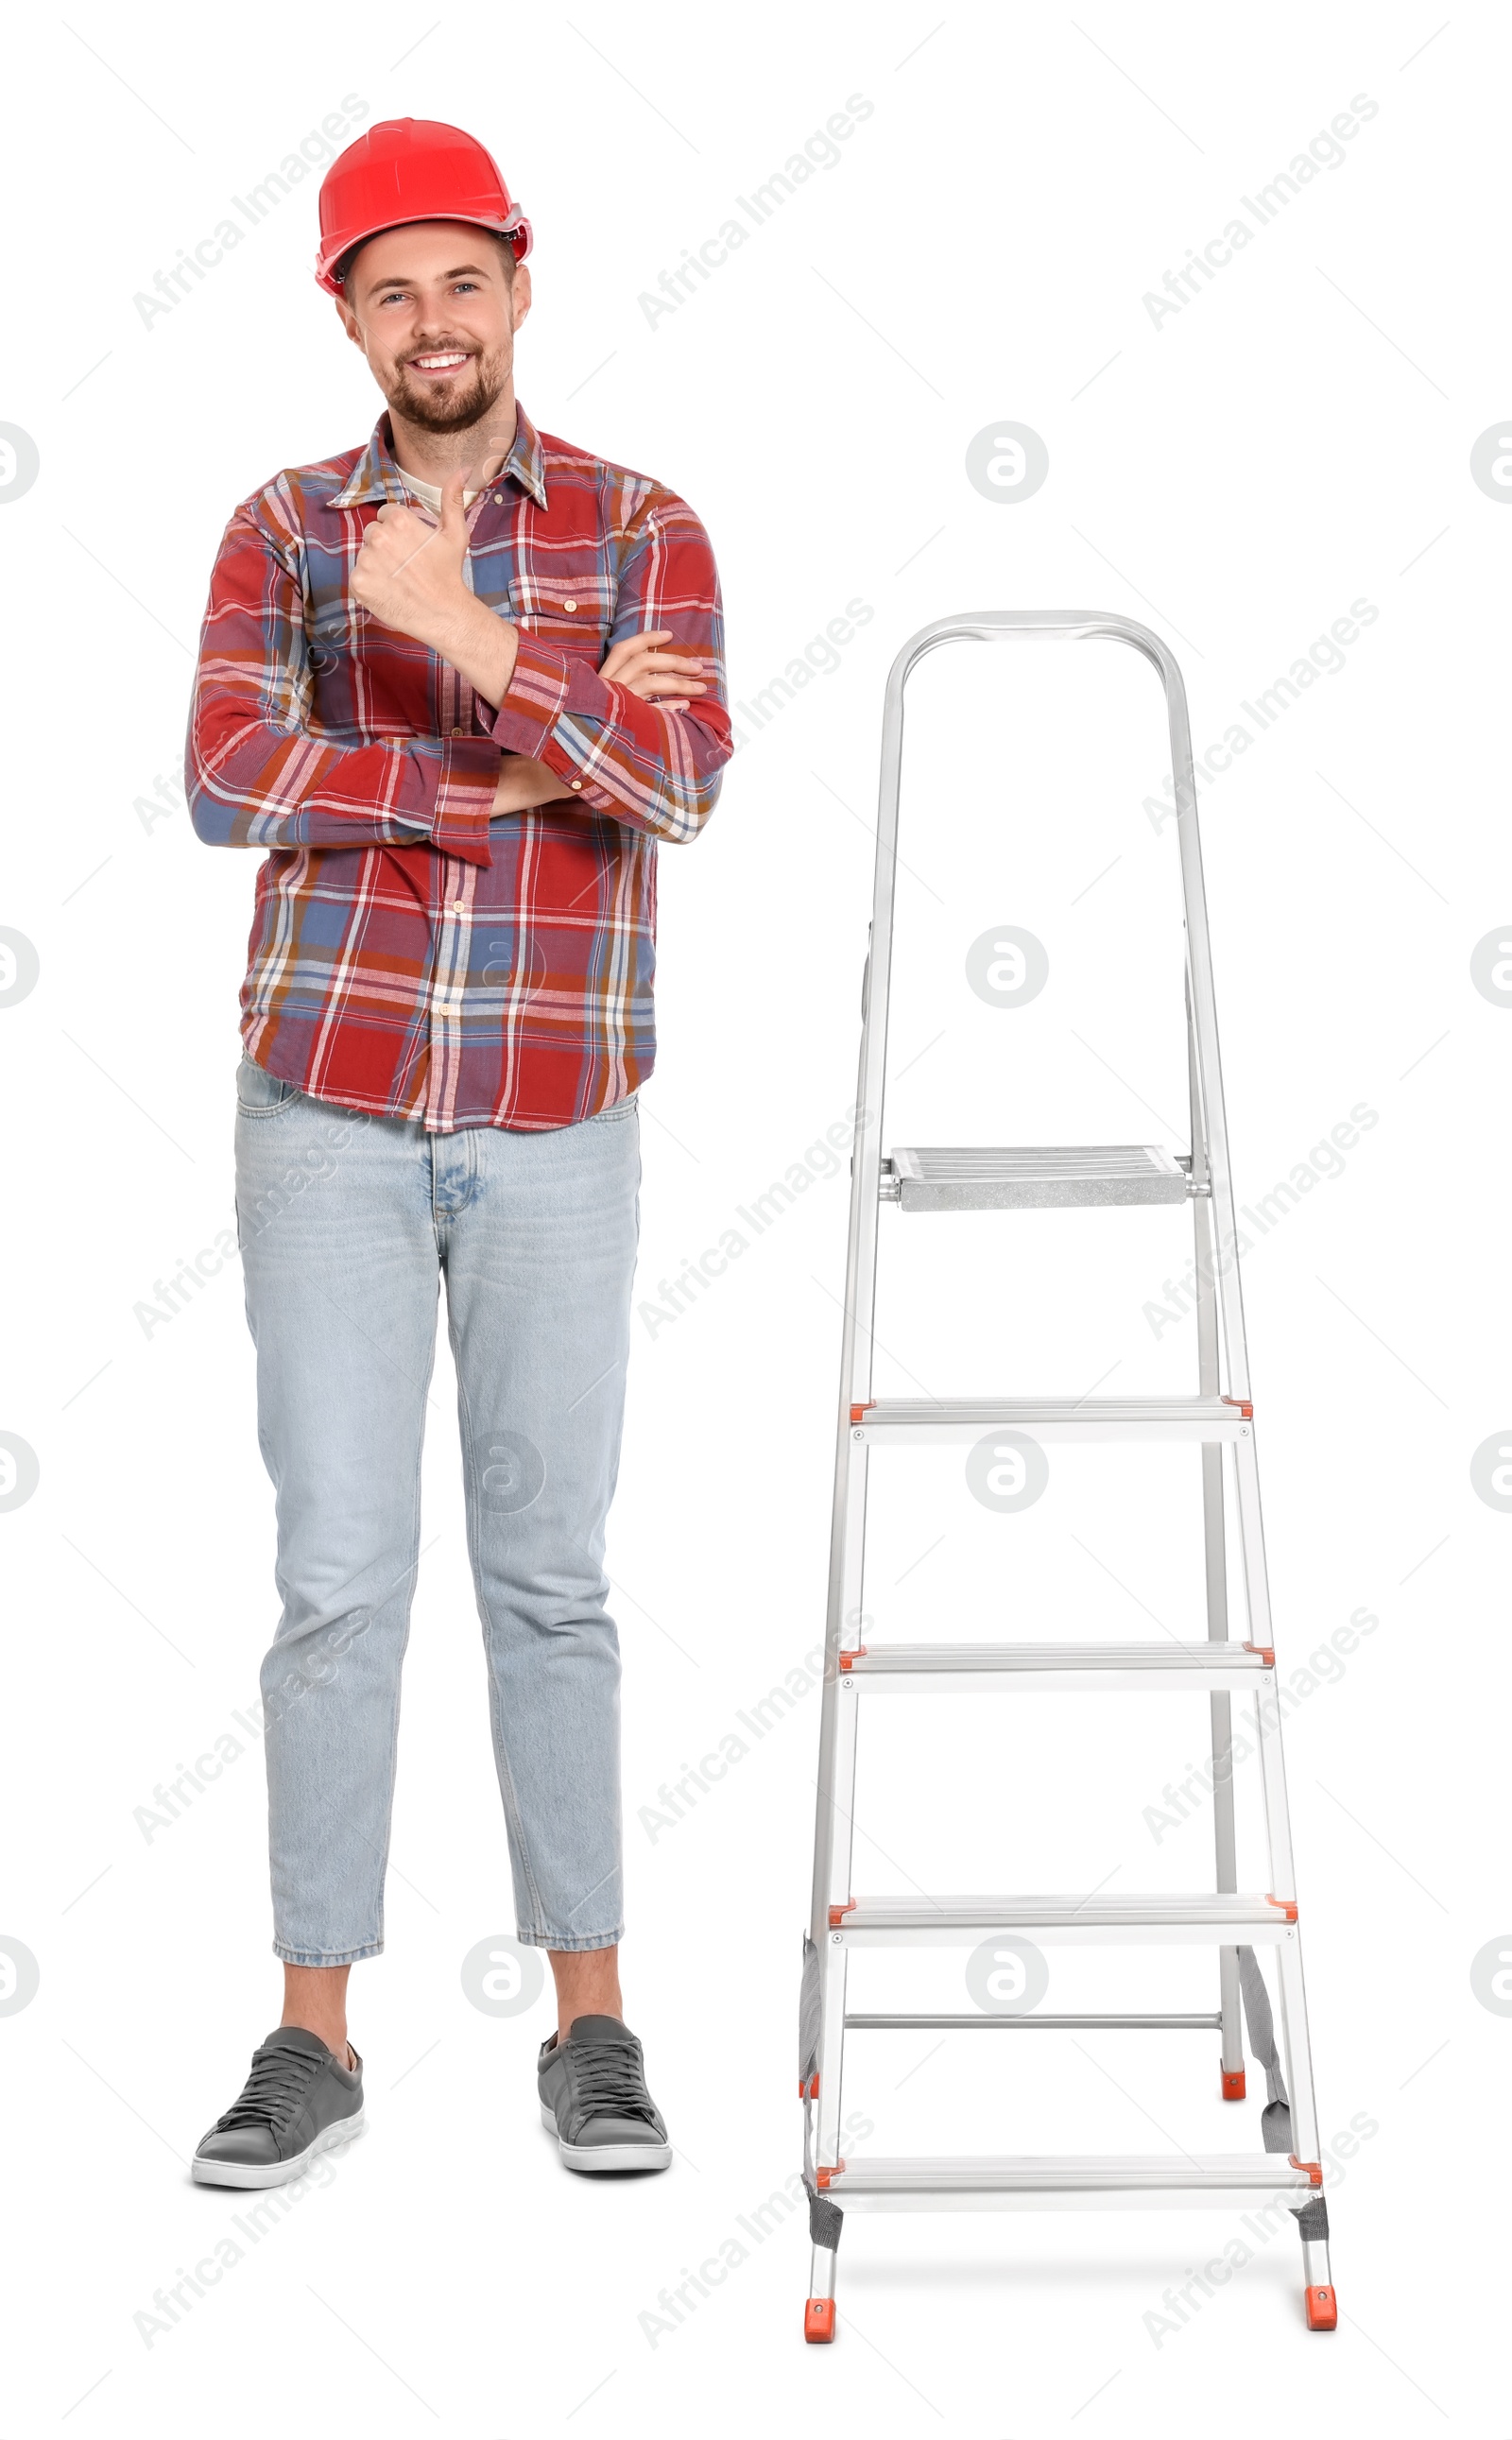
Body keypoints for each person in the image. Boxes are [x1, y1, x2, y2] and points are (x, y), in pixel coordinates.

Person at [183, 117, 730, 2189]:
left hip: (553, 1115)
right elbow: (231, 772)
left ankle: (590, 2020)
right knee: (336, 1576)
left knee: (550, 1576)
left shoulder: (636, 518)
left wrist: (470, 633)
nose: (432, 320)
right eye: (388, 289)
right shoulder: (278, 526)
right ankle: (313, 2026)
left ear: (518, 281)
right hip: (320, 1102)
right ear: (344, 312)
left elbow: (679, 775)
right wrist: (504, 770)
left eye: (461, 279)